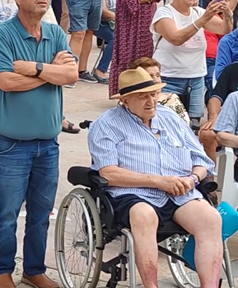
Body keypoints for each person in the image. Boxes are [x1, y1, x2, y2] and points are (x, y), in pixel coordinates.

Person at [89, 67, 220, 288]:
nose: (151, 101)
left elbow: (201, 160)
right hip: (133, 193)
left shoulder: (169, 117)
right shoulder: (107, 124)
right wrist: (158, 181)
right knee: (144, 215)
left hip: (180, 190)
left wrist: (193, 179)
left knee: (211, 219)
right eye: (142, 97)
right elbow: (108, 173)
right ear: (125, 100)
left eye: (153, 94)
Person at [0, 0, 77, 288]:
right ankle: (0, 271)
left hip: (48, 144)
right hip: (12, 145)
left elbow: (72, 74)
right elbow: (6, 82)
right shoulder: (2, 35)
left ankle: (34, 269)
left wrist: (36, 68)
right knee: (8, 214)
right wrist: (51, 73)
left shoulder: (55, 33)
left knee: (41, 214)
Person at [151, 0, 231, 127]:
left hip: (196, 78)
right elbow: (176, 38)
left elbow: (224, 30)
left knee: (193, 125)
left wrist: (227, 14)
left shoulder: (198, 12)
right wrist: (203, 20)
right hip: (169, 77)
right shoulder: (164, 13)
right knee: (168, 123)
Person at [109, 0, 166, 97]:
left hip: (147, 20)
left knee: (146, 55)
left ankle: (145, 88)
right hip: (129, 21)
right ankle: (126, 91)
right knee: (128, 55)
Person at [128, 57, 190, 125]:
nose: (156, 80)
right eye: (150, 76)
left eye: (158, 75)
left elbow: (185, 124)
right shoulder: (130, 101)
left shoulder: (172, 98)